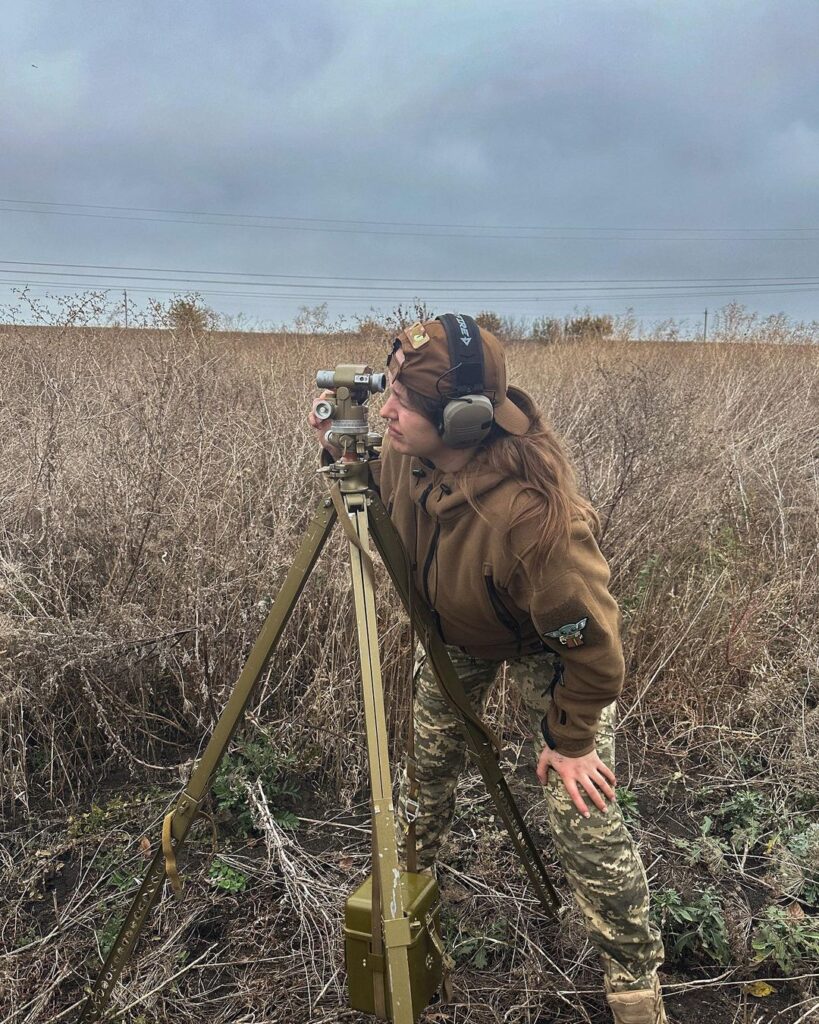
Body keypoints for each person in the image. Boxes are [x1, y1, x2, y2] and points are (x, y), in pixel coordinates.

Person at [309, 314, 667, 1024]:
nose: (384, 411)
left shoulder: (536, 522)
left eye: (402, 404)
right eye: (389, 392)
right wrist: (337, 459)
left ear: (463, 420)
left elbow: (595, 654)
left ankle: (633, 985)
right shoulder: (408, 458)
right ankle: (408, 914)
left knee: (580, 812)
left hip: (549, 653)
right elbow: (378, 506)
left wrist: (570, 742)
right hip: (453, 640)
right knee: (425, 775)